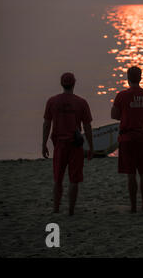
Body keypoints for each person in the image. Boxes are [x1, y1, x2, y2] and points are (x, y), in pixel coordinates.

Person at [42, 72, 94, 216]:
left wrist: (44, 144)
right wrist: (91, 146)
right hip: (75, 145)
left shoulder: (52, 101)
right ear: (74, 84)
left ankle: (56, 208)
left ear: (61, 84)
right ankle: (71, 210)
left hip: (59, 144)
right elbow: (88, 126)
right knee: (74, 179)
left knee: (58, 179)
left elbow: (47, 124)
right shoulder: (81, 102)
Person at [111, 66, 143, 213]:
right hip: (141, 137)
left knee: (131, 174)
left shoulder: (122, 95)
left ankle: (134, 206)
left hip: (127, 138)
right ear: (140, 78)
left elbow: (114, 115)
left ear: (128, 78)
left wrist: (126, 115)